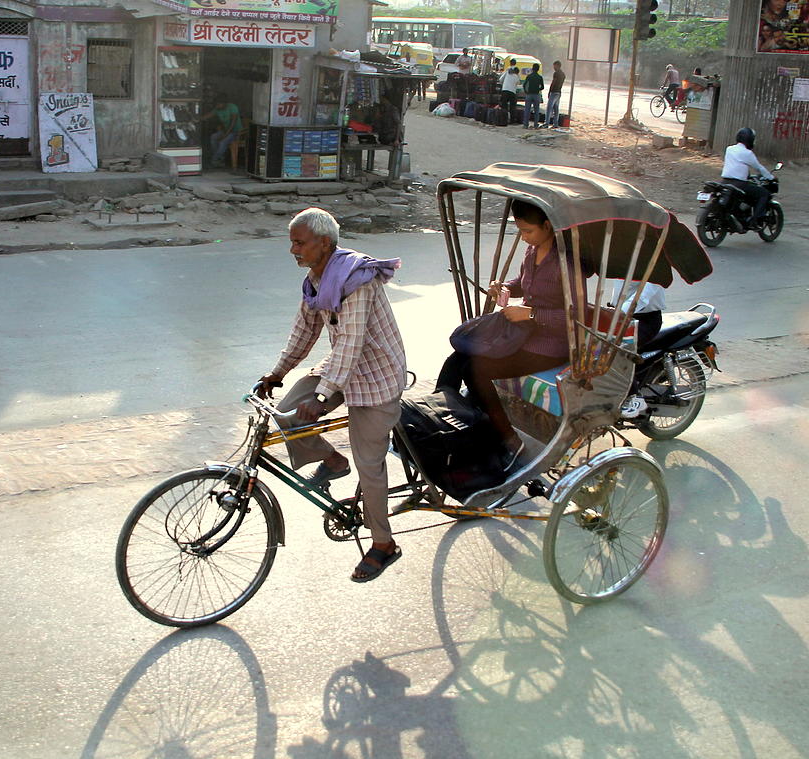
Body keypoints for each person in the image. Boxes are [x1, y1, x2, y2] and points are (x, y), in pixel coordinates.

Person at [257, 208, 407, 583]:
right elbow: (303, 332)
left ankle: (384, 544)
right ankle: (333, 461)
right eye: (292, 241)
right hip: (340, 367)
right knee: (286, 412)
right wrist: (277, 373)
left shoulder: (357, 278)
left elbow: (352, 344)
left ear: (325, 242)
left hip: (376, 375)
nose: (293, 249)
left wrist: (323, 398)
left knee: (370, 465)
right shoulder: (315, 279)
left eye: (299, 242)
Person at [436, 201, 585, 469]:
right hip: (522, 335)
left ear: (548, 226)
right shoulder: (532, 251)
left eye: (528, 231)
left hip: (552, 345)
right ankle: (438, 419)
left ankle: (510, 441)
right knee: (457, 358)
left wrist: (531, 314)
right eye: (521, 231)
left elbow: (577, 317)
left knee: (477, 370)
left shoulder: (567, 263)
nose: (524, 237)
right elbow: (524, 283)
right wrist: (505, 287)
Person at [614, 281, 666, 419]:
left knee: (617, 352)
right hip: (620, 317)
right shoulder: (621, 260)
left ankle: (634, 397)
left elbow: (644, 295)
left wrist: (622, 310)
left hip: (645, 320)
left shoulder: (652, 263)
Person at [721, 127, 775, 227]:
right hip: (740, 184)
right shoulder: (747, 153)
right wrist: (771, 177)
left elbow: (736, 165)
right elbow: (759, 168)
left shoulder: (729, 149)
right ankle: (754, 220)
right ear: (750, 140)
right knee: (764, 194)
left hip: (724, 182)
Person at [203, 94, 241, 170]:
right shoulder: (217, 109)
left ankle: (213, 160)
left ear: (224, 103)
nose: (217, 106)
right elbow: (207, 116)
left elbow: (232, 124)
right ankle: (219, 159)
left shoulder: (233, 107)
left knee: (222, 142)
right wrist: (197, 118)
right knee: (213, 137)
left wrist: (225, 135)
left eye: (219, 104)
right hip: (225, 131)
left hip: (235, 132)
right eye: (216, 104)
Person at [498, 58, 521, 125]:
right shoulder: (517, 72)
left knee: (504, 106)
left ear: (510, 63)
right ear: (515, 63)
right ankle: (512, 121)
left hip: (505, 90)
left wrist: (504, 84)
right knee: (512, 107)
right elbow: (518, 82)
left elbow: (500, 79)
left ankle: (503, 119)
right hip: (512, 92)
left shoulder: (507, 70)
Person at [544, 60, 566, 128]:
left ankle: (546, 123)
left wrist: (549, 91)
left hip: (554, 92)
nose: (554, 67)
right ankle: (555, 123)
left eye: (554, 66)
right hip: (559, 92)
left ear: (557, 65)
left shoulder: (556, 73)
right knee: (556, 109)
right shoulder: (563, 74)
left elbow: (553, 82)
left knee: (549, 108)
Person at [522, 63, 544, 129]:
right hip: (536, 95)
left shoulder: (529, 76)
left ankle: (525, 124)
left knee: (527, 110)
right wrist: (538, 89)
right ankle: (535, 125)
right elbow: (542, 87)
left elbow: (524, 85)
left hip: (529, 94)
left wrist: (526, 92)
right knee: (536, 111)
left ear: (532, 69)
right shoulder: (540, 77)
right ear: (538, 69)